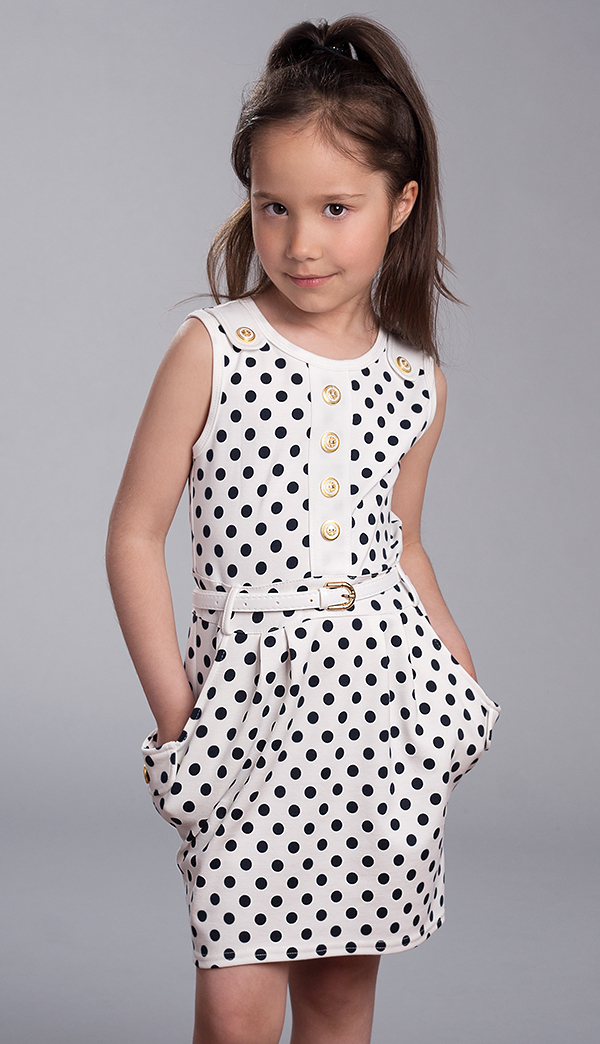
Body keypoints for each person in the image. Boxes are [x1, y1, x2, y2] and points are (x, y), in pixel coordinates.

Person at [106, 15, 500, 1044]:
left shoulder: (417, 382)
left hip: (378, 712)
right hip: (246, 711)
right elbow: (134, 534)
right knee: (237, 1013)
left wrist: (458, 675)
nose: (299, 241)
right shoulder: (213, 346)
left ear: (401, 204)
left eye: (335, 208)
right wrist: (179, 715)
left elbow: (403, 545)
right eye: (272, 206)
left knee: (337, 1000)